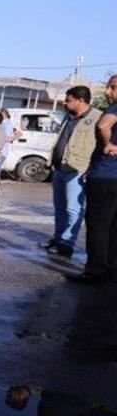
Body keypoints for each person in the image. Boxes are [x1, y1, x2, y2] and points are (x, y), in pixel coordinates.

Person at [40, 86, 102, 258]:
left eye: (69, 100)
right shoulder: (69, 117)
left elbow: (100, 145)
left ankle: (67, 243)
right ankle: (58, 238)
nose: (65, 103)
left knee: (73, 208)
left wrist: (92, 167)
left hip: (78, 169)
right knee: (59, 208)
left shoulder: (97, 118)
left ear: (81, 100)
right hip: (60, 167)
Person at [69, 75, 117, 283]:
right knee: (114, 226)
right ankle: (110, 267)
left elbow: (102, 126)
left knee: (98, 225)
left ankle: (96, 270)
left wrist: (109, 144)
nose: (108, 92)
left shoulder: (114, 109)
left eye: (113, 87)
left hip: (105, 176)